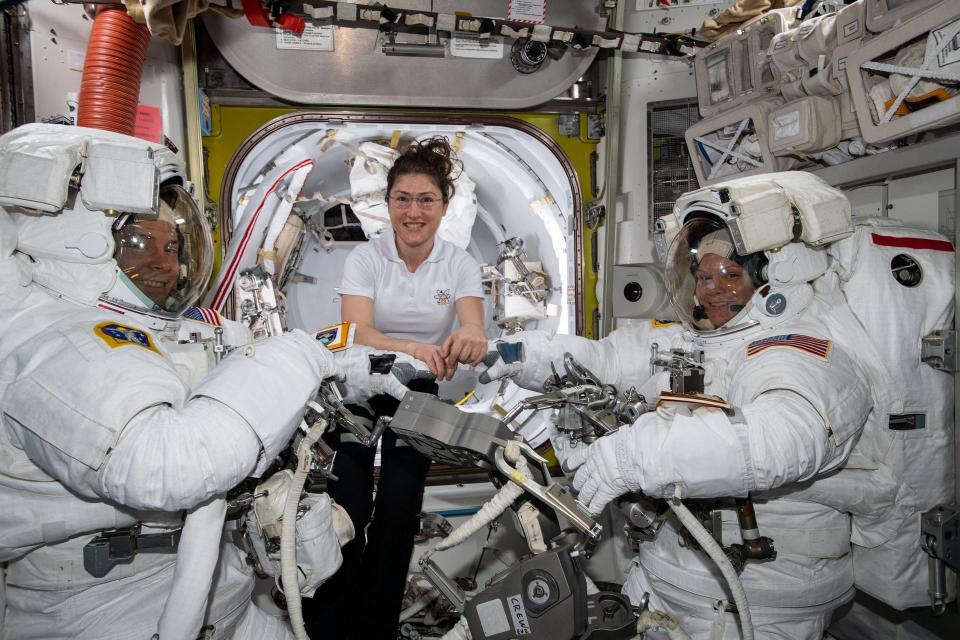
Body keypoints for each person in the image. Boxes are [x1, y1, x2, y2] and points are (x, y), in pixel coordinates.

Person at [0, 123, 426, 640]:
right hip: (107, 609)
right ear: (76, 245)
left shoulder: (177, 332)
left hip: (218, 590)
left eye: (172, 245)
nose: (164, 263)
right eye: (137, 242)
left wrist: (351, 369)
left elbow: (250, 367)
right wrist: (308, 355)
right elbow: (169, 463)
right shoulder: (48, 345)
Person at [481, 172, 895, 639]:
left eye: (729, 275)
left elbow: (784, 438)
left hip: (757, 606)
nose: (708, 291)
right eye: (702, 276)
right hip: (663, 581)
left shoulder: (802, 351)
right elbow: (610, 360)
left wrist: (636, 455)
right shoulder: (695, 340)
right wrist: (523, 354)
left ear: (775, 278)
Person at [305, 137, 486, 640]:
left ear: (444, 206)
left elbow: (473, 324)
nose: (413, 211)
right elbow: (356, 331)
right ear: (387, 204)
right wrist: (412, 344)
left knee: (400, 505)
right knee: (350, 503)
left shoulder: (459, 263)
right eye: (402, 198)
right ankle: (330, 620)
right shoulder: (365, 258)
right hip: (363, 380)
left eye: (426, 199)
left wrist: (471, 335)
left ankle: (376, 626)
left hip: (419, 387)